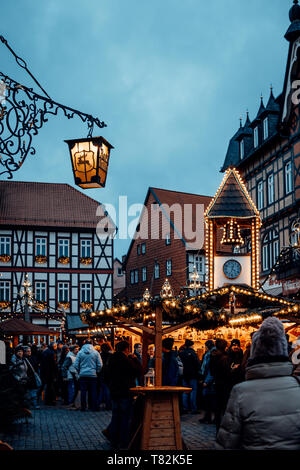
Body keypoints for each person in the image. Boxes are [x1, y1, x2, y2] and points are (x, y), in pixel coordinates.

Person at [217, 317, 300, 450]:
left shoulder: (241, 392)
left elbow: (227, 442)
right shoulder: (297, 385)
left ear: (254, 353)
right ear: (284, 350)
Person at [103, 340, 143, 449]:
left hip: (114, 392)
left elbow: (105, 374)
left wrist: (111, 385)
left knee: (116, 417)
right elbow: (139, 370)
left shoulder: (111, 359)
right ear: (126, 349)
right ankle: (123, 441)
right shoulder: (126, 360)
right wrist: (134, 358)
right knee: (125, 418)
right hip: (125, 392)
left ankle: (114, 440)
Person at [74, 340, 102, 411]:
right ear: (92, 344)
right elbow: (100, 364)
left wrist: (79, 371)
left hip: (83, 375)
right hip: (93, 375)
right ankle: (93, 406)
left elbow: (76, 364)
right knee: (93, 391)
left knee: (83, 391)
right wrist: (97, 371)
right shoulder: (96, 353)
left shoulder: (80, 353)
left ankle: (83, 407)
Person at [209, 338, 231, 432]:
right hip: (224, 384)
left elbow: (211, 369)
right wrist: (232, 369)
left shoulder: (213, 355)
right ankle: (224, 428)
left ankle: (218, 427)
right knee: (224, 407)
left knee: (218, 407)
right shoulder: (224, 357)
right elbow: (226, 372)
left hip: (216, 382)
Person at [179, 339, 201, 414]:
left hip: (184, 374)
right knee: (193, 391)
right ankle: (193, 408)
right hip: (193, 375)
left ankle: (185, 408)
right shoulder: (193, 353)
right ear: (192, 345)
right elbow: (197, 364)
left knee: (185, 391)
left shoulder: (181, 353)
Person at [199, 340, 216, 424]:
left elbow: (210, 369)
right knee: (208, 399)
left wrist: (206, 380)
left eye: (205, 346)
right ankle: (208, 417)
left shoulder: (210, 354)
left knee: (208, 399)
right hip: (209, 379)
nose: (204, 348)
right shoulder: (210, 353)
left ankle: (208, 417)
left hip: (210, 380)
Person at [97, 342, 113, 410]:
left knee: (101, 390)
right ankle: (108, 405)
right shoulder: (111, 355)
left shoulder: (100, 355)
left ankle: (98, 404)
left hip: (102, 374)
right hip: (109, 374)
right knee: (108, 390)